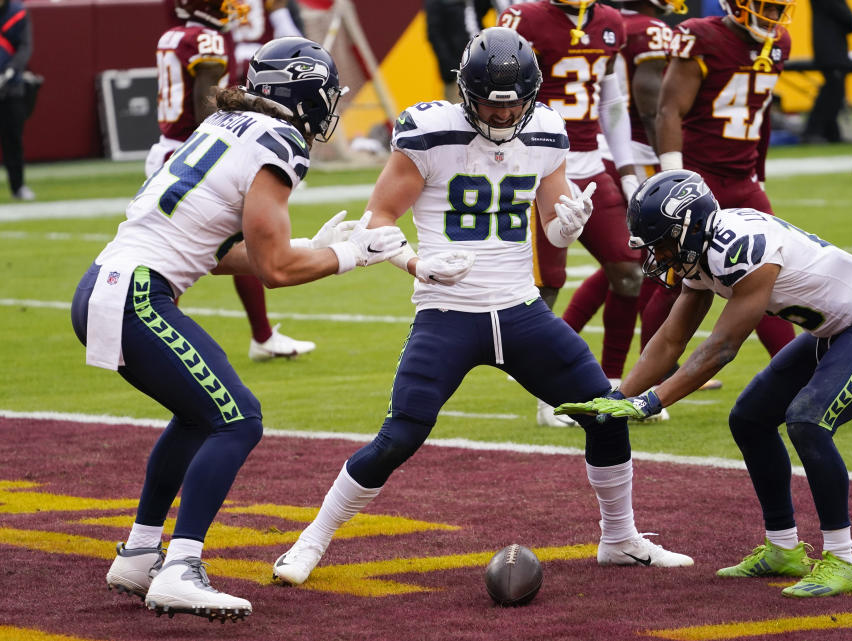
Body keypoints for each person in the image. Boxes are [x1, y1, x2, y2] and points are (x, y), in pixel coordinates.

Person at [270, 27, 692, 587]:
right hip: (448, 311)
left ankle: (620, 539)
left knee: (605, 411)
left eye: (515, 101)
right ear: (465, 93)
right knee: (401, 435)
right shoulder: (429, 131)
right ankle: (311, 540)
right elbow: (377, 221)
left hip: (520, 310)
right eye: (492, 104)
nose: (504, 114)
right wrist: (417, 266)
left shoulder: (545, 131)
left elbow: (554, 222)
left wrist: (565, 225)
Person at [71, 37, 407, 621]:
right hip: (137, 295)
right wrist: (354, 254)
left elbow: (223, 251)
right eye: (324, 94)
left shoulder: (225, 124)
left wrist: (313, 247)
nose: (328, 107)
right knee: (238, 419)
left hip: (106, 284)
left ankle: (140, 553)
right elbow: (274, 270)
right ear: (301, 93)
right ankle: (180, 567)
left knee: (198, 415)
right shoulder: (280, 139)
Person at [556, 169, 852, 597]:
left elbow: (722, 347)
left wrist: (652, 401)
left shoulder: (739, 246)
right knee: (749, 419)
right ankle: (783, 548)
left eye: (664, 243)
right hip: (830, 333)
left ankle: (840, 557)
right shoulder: (702, 251)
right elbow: (670, 340)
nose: (659, 255)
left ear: (690, 227)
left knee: (808, 422)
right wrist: (619, 397)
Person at [561, 0, 720, 401]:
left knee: (627, 264)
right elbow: (650, 106)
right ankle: (654, 369)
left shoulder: (616, 24)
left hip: (610, 149)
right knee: (648, 262)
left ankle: (572, 347)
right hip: (636, 153)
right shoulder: (648, 27)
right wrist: (667, 165)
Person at [499, 0, 646, 427]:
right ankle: (548, 396)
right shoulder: (524, 19)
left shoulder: (610, 22)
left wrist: (628, 171)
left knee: (629, 270)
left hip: (589, 163)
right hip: (538, 166)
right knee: (545, 289)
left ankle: (616, 381)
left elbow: (611, 103)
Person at [149, 0, 317, 362]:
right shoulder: (206, 40)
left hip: (173, 150)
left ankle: (262, 335)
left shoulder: (174, 35)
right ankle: (150, 332)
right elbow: (206, 109)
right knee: (184, 249)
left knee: (228, 241)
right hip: (194, 154)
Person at [655, 0, 797, 358]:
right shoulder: (700, 35)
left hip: (743, 179)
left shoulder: (779, 42)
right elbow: (669, 109)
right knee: (675, 281)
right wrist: (675, 179)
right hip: (700, 179)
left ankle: (797, 373)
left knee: (767, 276)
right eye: (768, 7)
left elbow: (760, 113)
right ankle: (652, 379)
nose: (775, 17)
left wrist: (759, 176)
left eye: (780, 9)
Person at [801, 0, 852, 144]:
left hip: (827, 48)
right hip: (832, 49)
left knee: (834, 92)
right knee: (832, 92)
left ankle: (830, 133)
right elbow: (850, 21)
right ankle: (812, 131)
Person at [0, 0, 33, 201]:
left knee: (13, 139)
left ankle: (18, 186)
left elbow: (25, 46)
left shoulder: (18, 13)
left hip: (11, 88)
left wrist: (10, 71)